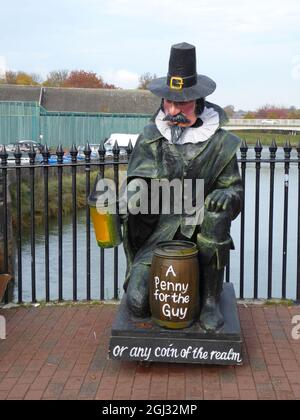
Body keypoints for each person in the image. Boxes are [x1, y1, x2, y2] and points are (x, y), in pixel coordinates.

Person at [121, 42, 243, 332]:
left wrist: (226, 194)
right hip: (159, 234)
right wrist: (131, 197)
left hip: (204, 234)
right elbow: (136, 183)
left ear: (198, 102)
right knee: (138, 302)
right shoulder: (151, 137)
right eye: (169, 103)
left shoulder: (221, 144)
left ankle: (210, 300)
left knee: (215, 213)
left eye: (182, 103)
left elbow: (235, 192)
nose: (174, 110)